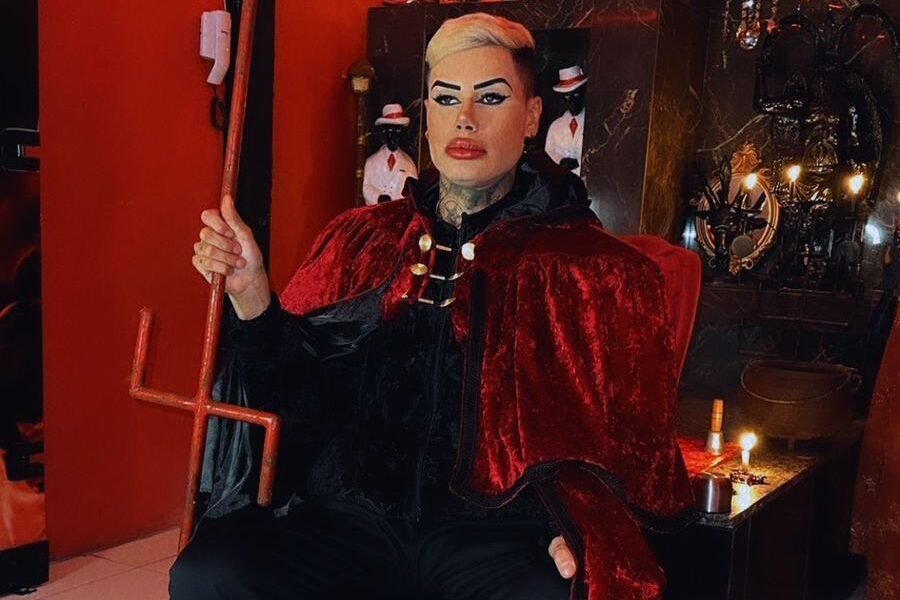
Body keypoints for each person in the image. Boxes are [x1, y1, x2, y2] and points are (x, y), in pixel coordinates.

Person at [174, 12, 692, 600]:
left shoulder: (597, 269)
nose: (465, 118)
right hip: (354, 519)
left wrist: (579, 526)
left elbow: (630, 449)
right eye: (446, 99)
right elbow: (303, 401)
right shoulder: (360, 239)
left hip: (495, 535)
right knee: (210, 573)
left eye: (490, 97)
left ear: (531, 117)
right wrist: (252, 294)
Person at [362, 103, 418, 205]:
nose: (394, 135)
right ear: (384, 132)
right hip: (375, 212)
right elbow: (365, 186)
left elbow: (413, 193)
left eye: (398, 131)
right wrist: (378, 197)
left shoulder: (409, 164)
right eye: (390, 130)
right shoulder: (371, 162)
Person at [544, 65, 587, 175]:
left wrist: (577, 162)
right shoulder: (555, 127)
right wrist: (560, 161)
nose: (572, 101)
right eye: (567, 97)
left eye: (576, 94)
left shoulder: (592, 124)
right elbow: (548, 155)